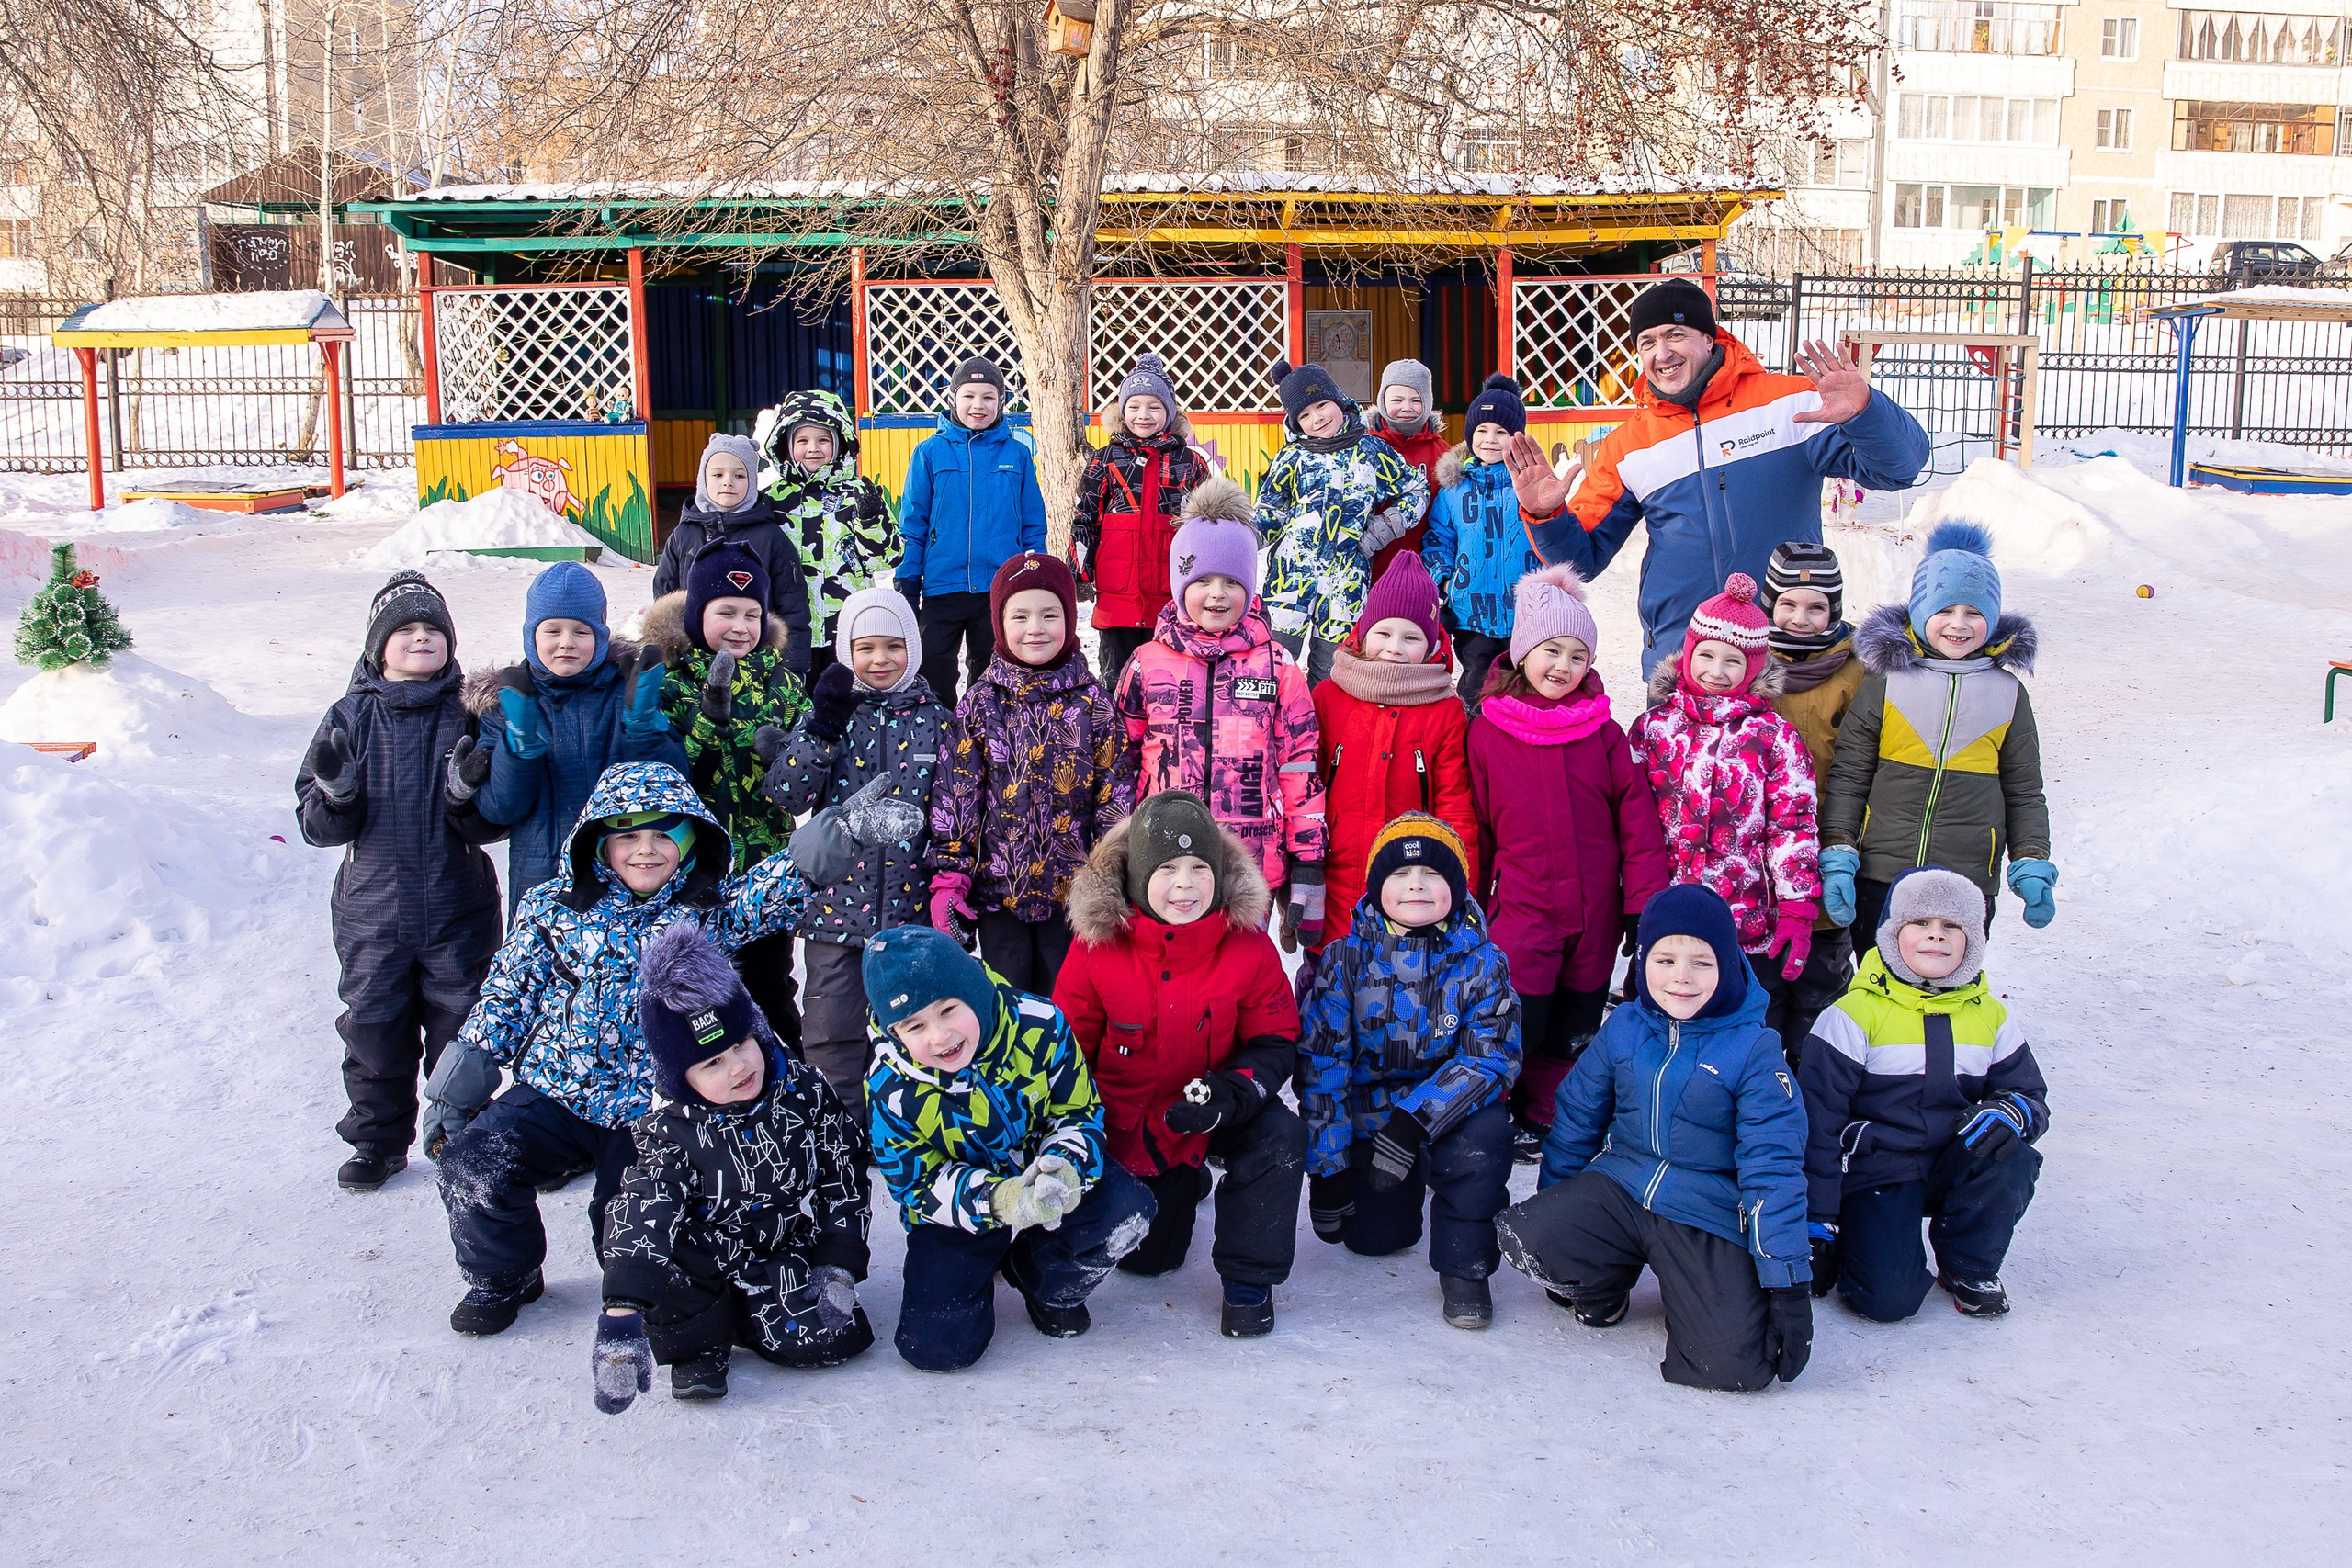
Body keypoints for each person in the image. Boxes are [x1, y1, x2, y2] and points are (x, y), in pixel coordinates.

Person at [421, 762, 808, 1337]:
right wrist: (456, 1090)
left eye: (663, 835)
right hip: (560, 1088)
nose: (646, 851)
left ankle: (652, 1290)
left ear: (690, 840)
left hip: (653, 1112)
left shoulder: (707, 912)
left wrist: (833, 835)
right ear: (598, 842)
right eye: (628, 835)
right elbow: (507, 995)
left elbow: (770, 891)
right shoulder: (553, 908)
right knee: (475, 1157)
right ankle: (504, 1274)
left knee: (631, 1225)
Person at [1504, 277, 1931, 676]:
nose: (1662, 354)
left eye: (1675, 335)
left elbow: (1899, 468)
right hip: (1682, 654)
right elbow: (1582, 560)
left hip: (1784, 649)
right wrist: (1546, 514)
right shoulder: (1629, 445)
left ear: (1710, 338)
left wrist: (1866, 412)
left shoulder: (1788, 405)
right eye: (1647, 342)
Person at [1495, 884, 1815, 1393]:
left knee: (1732, 1367)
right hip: (1622, 1186)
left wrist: (1787, 1283)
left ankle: (1699, 1292)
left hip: (1706, 1211)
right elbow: (1577, 1118)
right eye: (1665, 959)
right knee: (1533, 1236)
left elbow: (1772, 1168)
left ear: (1728, 966)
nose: (1681, 978)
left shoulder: (1754, 1048)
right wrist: (1559, 1213)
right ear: (1643, 963)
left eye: (1701, 963)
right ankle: (1608, 1286)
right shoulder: (1625, 1025)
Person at [591, 923, 874, 1411]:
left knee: (836, 1337)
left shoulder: (802, 1091)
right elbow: (643, 1209)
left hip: (776, 1243)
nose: (739, 1068)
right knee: (665, 1276)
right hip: (700, 1256)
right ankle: (701, 1343)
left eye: (742, 1044)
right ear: (682, 1078)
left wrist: (838, 1261)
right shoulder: (669, 1128)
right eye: (712, 1064)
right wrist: (621, 1315)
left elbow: (841, 1173)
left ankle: (748, 1312)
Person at [1056, 791, 1306, 1337]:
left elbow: (1276, 1038)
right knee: (1151, 1262)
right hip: (1139, 1124)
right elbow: (1065, 1054)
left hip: (1216, 1103)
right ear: (1141, 873)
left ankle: (1249, 1282)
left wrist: (1232, 1093)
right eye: (1167, 869)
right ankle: (1178, 1186)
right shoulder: (1099, 947)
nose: (1186, 885)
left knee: (1280, 1134)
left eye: (1198, 868)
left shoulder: (1249, 945)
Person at [863, 924, 1157, 1372]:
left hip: (1046, 1174)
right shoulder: (888, 1086)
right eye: (914, 1025)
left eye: (948, 1010)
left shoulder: (1039, 1025)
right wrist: (1000, 1201)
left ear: (973, 991)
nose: (940, 1037)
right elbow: (915, 1184)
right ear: (894, 1032)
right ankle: (981, 1261)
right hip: (965, 1205)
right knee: (937, 1348)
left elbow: (1079, 1111)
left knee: (1127, 1209)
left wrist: (1067, 1168)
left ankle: (1039, 1276)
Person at [296, 571, 503, 1192]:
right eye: (405, 629)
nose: (419, 638)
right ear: (377, 647)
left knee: (460, 1028)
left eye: (431, 629)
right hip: (373, 911)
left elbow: (492, 819)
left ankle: (457, 1129)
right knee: (374, 1029)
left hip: (456, 904)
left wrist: (467, 793)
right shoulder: (350, 716)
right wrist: (338, 793)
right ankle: (376, 1141)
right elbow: (314, 823)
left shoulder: (469, 710)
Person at [1466, 563, 1669, 1162]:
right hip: (1523, 909)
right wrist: (1470, 905)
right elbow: (1476, 831)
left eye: (1577, 655)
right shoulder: (1487, 734)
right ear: (1523, 653)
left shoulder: (1603, 734)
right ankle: (1493, 1107)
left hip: (1595, 913)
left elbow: (1638, 826)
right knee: (1517, 1013)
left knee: (1576, 1017)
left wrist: (1643, 906)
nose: (1563, 666)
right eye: (1551, 650)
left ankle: (1545, 1112)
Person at [1297, 814, 1520, 1330]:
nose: (1415, 883)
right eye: (1399, 874)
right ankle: (1384, 1196)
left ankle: (1465, 1269)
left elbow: (1489, 1058)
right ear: (1377, 888)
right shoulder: (1344, 960)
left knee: (1484, 1141)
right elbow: (1323, 1063)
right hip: (1371, 1119)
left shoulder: (1484, 964)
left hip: (1447, 1116)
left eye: (1432, 873)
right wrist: (1327, 1172)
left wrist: (1413, 1123)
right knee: (1376, 1241)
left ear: (1457, 888)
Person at [1800, 866, 2048, 1322]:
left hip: (1956, 1157)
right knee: (1886, 1302)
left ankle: (1968, 1266)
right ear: (1893, 934)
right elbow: (1818, 1122)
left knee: (2010, 1155)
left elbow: (2029, 1094)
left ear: (1973, 939)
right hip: (1881, 1170)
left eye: (1953, 926)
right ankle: (1859, 1243)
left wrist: (2010, 1111)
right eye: (1921, 924)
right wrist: (1818, 1218)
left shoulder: (1990, 1015)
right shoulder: (1852, 1015)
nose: (1937, 937)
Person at [1114, 474, 1326, 953]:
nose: (1217, 594)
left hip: (1250, 861)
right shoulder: (1146, 663)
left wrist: (1309, 861)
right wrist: (1121, 848)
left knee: (1241, 983)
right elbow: (1119, 763)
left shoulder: (1277, 666)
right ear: (1179, 583)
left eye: (1233, 582)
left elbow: (1301, 766)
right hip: (1164, 861)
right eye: (1202, 581)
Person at [1820, 520, 2055, 943]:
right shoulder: (1885, 682)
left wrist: (2031, 859)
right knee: (1877, 987)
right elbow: (1850, 776)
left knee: (1949, 984)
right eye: (1944, 610)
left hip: (1966, 880)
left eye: (1975, 613)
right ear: (1920, 611)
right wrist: (1839, 850)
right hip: (1882, 874)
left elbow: (2024, 790)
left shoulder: (2007, 694)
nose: (1959, 625)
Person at [760, 584, 944, 1112]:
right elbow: (785, 793)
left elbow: (955, 815)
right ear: (845, 653)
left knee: (913, 1030)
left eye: (893, 645)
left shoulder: (938, 722)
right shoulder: (833, 718)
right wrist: (820, 730)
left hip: (911, 913)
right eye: (865, 648)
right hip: (834, 911)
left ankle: (908, 1127)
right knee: (831, 1030)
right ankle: (838, 1133)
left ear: (913, 647)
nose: (879, 659)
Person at [928, 552, 1133, 995]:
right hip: (1000, 894)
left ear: (1069, 618)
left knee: (1067, 1004)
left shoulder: (1094, 704)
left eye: (1049, 614)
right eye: (1019, 616)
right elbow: (956, 795)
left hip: (1074, 897)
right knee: (1009, 1001)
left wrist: (1111, 874)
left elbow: (1114, 795)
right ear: (1000, 624)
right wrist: (951, 876)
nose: (1035, 628)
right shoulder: (981, 705)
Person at [1628, 572, 1823, 1022]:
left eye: (1732, 661)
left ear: (1753, 668)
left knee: (1734, 1018)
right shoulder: (1654, 727)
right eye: (1707, 656)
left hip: (1742, 913)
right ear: (1688, 654)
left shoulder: (1774, 737)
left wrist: (1796, 906)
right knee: (1657, 1015)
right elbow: (1631, 818)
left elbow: (1792, 827)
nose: (1716, 671)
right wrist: (1630, 895)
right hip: (1666, 907)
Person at [642, 541, 810, 1043]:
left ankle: (789, 1088)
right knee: (700, 1005)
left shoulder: (783, 683)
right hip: (694, 879)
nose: (740, 627)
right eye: (726, 612)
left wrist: (791, 758)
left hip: (766, 870)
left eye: (752, 614)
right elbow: (668, 780)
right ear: (697, 615)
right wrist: (708, 722)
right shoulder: (669, 683)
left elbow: (800, 791)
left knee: (771, 989)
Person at [465, 561, 681, 915]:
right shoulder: (507, 703)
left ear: (600, 635)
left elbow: (671, 787)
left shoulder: (625, 692)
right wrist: (518, 749)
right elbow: (500, 809)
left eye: (581, 632)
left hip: (625, 880)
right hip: (543, 886)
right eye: (552, 631)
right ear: (530, 635)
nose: (566, 643)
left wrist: (642, 729)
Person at [1312, 550, 1476, 958]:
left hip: (1410, 886)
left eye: (1411, 637)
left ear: (1433, 642)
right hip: (1334, 876)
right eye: (1384, 633)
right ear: (1363, 632)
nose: (1395, 648)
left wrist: (1461, 886)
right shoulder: (1330, 696)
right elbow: (1304, 783)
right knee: (1327, 992)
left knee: (1398, 997)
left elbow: (1456, 805)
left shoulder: (1444, 709)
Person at [1255, 356, 1430, 685]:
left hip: (1346, 582)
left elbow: (1416, 489)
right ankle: (1274, 731)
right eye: (1304, 415)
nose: (1317, 418)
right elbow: (1271, 511)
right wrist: (1242, 538)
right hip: (1290, 581)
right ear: (1294, 423)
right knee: (1275, 664)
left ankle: (1321, 733)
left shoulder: (1373, 451)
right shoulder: (1291, 457)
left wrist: (1385, 526)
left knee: (1332, 671)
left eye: (1322, 405)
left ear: (1339, 400)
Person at [1760, 540, 1868, 1065]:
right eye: (1787, 604)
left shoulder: (1856, 672)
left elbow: (1864, 762)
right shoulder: (1748, 662)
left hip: (1826, 840)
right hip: (1759, 851)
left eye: (1816, 606)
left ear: (1835, 609)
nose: (1801, 618)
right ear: (1768, 604)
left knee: (1821, 979)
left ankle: (1814, 1080)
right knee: (1763, 986)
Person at [895, 357, 1047, 703]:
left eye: (988, 397)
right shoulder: (929, 452)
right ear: (953, 399)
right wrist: (908, 577)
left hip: (998, 585)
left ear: (1001, 403)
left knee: (992, 671)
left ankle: (986, 739)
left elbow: (1032, 524)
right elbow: (914, 522)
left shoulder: (1017, 455)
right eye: (969, 396)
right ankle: (938, 737)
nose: (978, 405)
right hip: (941, 585)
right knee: (933, 668)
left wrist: (1032, 571)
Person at [1069, 352, 1216, 694]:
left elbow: (1207, 524)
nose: (1143, 415)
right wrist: (1080, 572)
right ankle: (1114, 740)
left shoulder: (1190, 461)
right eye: (1134, 406)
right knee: (1116, 678)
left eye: (1154, 406)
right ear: (1122, 411)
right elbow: (1085, 516)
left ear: (1169, 412)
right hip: (1117, 593)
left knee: (1168, 679)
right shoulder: (1104, 460)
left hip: (1170, 592)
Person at [754, 388, 901, 683]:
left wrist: (872, 519)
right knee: (796, 701)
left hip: (848, 624)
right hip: (791, 626)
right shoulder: (772, 499)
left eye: (823, 440)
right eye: (803, 440)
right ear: (785, 444)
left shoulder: (857, 494)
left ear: (839, 444)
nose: (813, 448)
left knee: (847, 700)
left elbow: (887, 559)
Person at [650, 432, 814, 677]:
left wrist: (793, 664)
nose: (728, 482)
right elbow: (665, 595)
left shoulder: (771, 537)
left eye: (739, 475)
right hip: (695, 663)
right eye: (717, 474)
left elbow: (792, 603)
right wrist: (671, 653)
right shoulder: (683, 535)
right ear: (702, 478)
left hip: (755, 661)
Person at [1424, 374, 1540, 709]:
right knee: (1476, 685)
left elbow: (1551, 539)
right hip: (1469, 610)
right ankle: (1476, 748)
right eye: (1482, 431)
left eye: (1501, 432)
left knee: (1525, 686)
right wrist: (1444, 580)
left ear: (1517, 438)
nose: (1490, 440)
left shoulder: (1527, 485)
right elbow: (1439, 540)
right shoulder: (1454, 490)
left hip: (1525, 611)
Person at [1365, 357, 1449, 579]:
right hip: (1371, 568)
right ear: (1383, 401)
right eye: (1397, 399)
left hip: (1422, 570)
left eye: (1415, 400)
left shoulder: (1443, 453)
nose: (1406, 407)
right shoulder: (1363, 447)